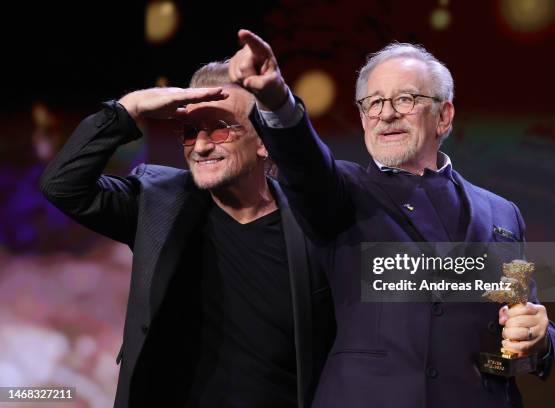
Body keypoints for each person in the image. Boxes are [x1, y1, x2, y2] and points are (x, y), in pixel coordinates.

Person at [228, 29, 555, 407]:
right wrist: (275, 97)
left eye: (406, 99)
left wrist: (541, 338)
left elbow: (524, 319)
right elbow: (304, 161)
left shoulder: (502, 213)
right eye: (373, 103)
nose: (386, 114)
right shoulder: (343, 191)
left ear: (444, 115)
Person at [39, 62, 335, 408]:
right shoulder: (156, 203)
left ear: (264, 143)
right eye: (191, 131)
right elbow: (62, 186)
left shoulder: (310, 227)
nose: (201, 146)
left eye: (221, 129)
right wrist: (129, 108)